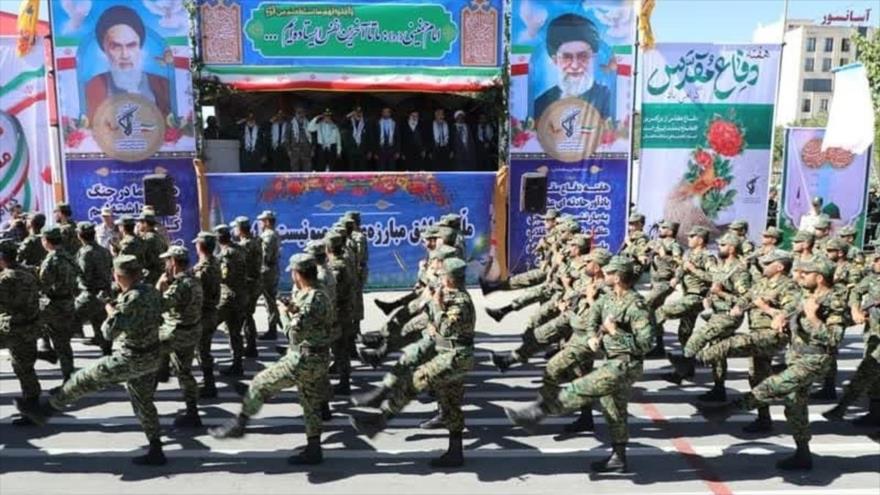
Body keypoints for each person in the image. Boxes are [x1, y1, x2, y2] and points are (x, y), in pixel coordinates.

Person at [505, 256, 653, 473]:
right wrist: (594, 335)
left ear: (619, 277)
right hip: (611, 360)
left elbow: (645, 344)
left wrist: (615, 334)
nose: (606, 275)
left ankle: (536, 414)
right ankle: (619, 457)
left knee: (580, 388)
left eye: (610, 273)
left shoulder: (636, 305)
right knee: (614, 409)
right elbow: (592, 315)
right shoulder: (610, 298)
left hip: (625, 365)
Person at [16, 254, 167, 466]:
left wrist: (108, 307)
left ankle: (45, 410)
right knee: (144, 404)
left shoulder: (131, 298)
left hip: (131, 357)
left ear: (119, 275)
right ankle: (156, 448)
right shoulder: (150, 291)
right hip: (151, 356)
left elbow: (108, 332)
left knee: (83, 379)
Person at [698, 258, 847, 471]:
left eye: (806, 273)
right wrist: (781, 317)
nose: (801, 275)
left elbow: (833, 338)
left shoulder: (833, 302)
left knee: (774, 385)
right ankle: (803, 454)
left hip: (816, 359)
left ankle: (729, 409)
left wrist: (814, 317)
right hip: (796, 355)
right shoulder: (807, 295)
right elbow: (790, 311)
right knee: (795, 406)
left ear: (820, 277)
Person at [210, 253, 333, 466]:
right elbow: (311, 319)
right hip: (319, 357)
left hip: (303, 359)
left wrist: (284, 313)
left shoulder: (312, 298)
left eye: (293, 273)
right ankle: (314, 449)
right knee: (310, 402)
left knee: (259, 383)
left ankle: (240, 423)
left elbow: (294, 334)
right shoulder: (319, 293)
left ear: (298, 274)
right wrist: (294, 308)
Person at [351, 258, 475, 468]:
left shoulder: (460, 302)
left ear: (451, 278)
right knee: (450, 401)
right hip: (449, 354)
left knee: (413, 382)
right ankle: (456, 452)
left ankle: (379, 421)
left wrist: (434, 304)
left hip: (454, 357)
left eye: (443, 275)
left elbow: (444, 328)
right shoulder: (450, 295)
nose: (440, 278)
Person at [667, 234, 751, 402]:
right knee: (718, 353)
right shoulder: (722, 266)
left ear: (732, 248)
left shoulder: (738, 270)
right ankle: (719, 389)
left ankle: (686, 361)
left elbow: (746, 298)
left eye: (723, 245)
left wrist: (721, 294)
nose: (719, 247)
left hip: (727, 315)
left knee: (700, 335)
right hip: (716, 311)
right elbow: (713, 285)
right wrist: (709, 298)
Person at [84, 5, 171, 123]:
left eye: (131, 45)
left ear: (140, 46)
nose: (125, 55)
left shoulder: (162, 85)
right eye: (116, 46)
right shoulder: (94, 87)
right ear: (104, 49)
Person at [655, 226, 717, 384]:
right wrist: (677, 277)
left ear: (700, 240)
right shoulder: (690, 253)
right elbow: (682, 267)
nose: (688, 239)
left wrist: (694, 270)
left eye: (692, 236)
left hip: (696, 297)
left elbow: (714, 277)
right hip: (688, 293)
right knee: (684, 333)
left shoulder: (707, 257)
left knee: (662, 312)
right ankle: (685, 371)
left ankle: (644, 339)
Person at [155, 246, 204, 427]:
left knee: (147, 354)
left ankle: (145, 400)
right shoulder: (194, 280)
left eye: (168, 261)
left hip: (176, 332)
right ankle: (192, 412)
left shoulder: (180, 285)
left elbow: (160, 305)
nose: (166, 264)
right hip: (192, 330)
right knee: (184, 372)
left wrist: (160, 286)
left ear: (174, 262)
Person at [534, 13, 612, 122]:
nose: (575, 65)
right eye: (567, 57)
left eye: (583, 56)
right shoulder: (541, 104)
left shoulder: (609, 99)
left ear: (593, 58)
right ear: (555, 60)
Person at [0, 239, 42, 426]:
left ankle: (32, 410)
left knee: (23, 369)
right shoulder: (28, 272)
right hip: (30, 326)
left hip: (16, 329)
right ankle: (32, 404)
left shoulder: (6, 279)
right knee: (27, 367)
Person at [38, 227, 79, 383]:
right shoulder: (68, 256)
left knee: (61, 343)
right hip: (68, 301)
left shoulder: (51, 260)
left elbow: (43, 283)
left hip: (55, 304)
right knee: (63, 342)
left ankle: (68, 379)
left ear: (46, 241)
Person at [74, 221, 114, 356]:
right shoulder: (104, 250)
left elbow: (85, 276)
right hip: (104, 293)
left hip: (90, 293)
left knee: (67, 319)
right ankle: (107, 355)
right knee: (101, 327)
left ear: (80, 235)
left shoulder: (86, 253)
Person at [215, 224, 248, 376]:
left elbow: (225, 275)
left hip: (229, 297)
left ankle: (235, 364)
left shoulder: (226, 254)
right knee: (236, 332)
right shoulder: (239, 249)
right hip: (241, 294)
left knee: (213, 326)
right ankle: (237, 363)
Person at [192, 232, 222, 398]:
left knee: (202, 351)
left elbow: (196, 294)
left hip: (203, 313)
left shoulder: (202, 270)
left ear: (200, 247)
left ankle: (210, 385)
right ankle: (208, 382)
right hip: (211, 311)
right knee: (204, 349)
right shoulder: (215, 262)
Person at [234, 216, 262, 358]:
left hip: (249, 284)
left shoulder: (245, 245)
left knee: (246, 315)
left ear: (240, 229)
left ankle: (251, 346)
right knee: (248, 315)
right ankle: (251, 344)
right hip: (255, 282)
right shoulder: (256, 240)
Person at [257, 210, 281, 341]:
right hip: (272, 270)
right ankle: (275, 327)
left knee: (269, 302)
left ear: (266, 222)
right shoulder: (275, 234)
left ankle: (273, 329)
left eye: (262, 221)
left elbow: (265, 256)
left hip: (266, 271)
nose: (260, 223)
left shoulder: (268, 236)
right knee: (270, 300)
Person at [138, 211, 167, 286]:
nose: (138, 225)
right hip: (161, 274)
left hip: (152, 276)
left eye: (140, 222)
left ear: (145, 223)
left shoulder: (148, 238)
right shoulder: (159, 236)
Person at [341, 106, 370, 171]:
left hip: (362, 149)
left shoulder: (366, 122)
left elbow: (369, 137)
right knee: (351, 168)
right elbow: (342, 123)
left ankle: (362, 181)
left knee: (362, 168)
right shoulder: (349, 122)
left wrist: (369, 150)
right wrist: (349, 115)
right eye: (357, 112)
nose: (358, 114)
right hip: (351, 149)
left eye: (360, 112)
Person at [287, 106, 313, 172]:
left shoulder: (309, 124)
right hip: (295, 151)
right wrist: (288, 150)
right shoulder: (291, 124)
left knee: (307, 171)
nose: (301, 115)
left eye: (302, 113)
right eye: (299, 113)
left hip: (306, 151)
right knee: (295, 171)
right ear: (295, 114)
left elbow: (314, 138)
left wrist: (313, 149)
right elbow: (287, 138)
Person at [374, 107, 400, 171]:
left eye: (387, 112)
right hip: (380, 150)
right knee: (381, 170)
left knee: (391, 170)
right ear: (382, 113)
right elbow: (374, 138)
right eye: (384, 112)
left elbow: (398, 138)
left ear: (390, 113)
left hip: (392, 150)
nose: (386, 113)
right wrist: (375, 152)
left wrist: (398, 151)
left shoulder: (394, 123)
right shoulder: (377, 123)